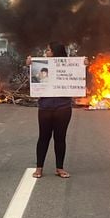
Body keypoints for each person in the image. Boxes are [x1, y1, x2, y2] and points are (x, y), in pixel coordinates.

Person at [30, 42, 74, 179]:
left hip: (63, 106)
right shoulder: (41, 66)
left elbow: (76, 78)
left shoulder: (68, 66)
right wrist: (29, 65)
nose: (46, 52)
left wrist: (84, 64)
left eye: (48, 50)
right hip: (45, 106)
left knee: (60, 138)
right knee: (43, 137)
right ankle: (39, 168)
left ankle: (59, 168)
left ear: (55, 52)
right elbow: (35, 80)